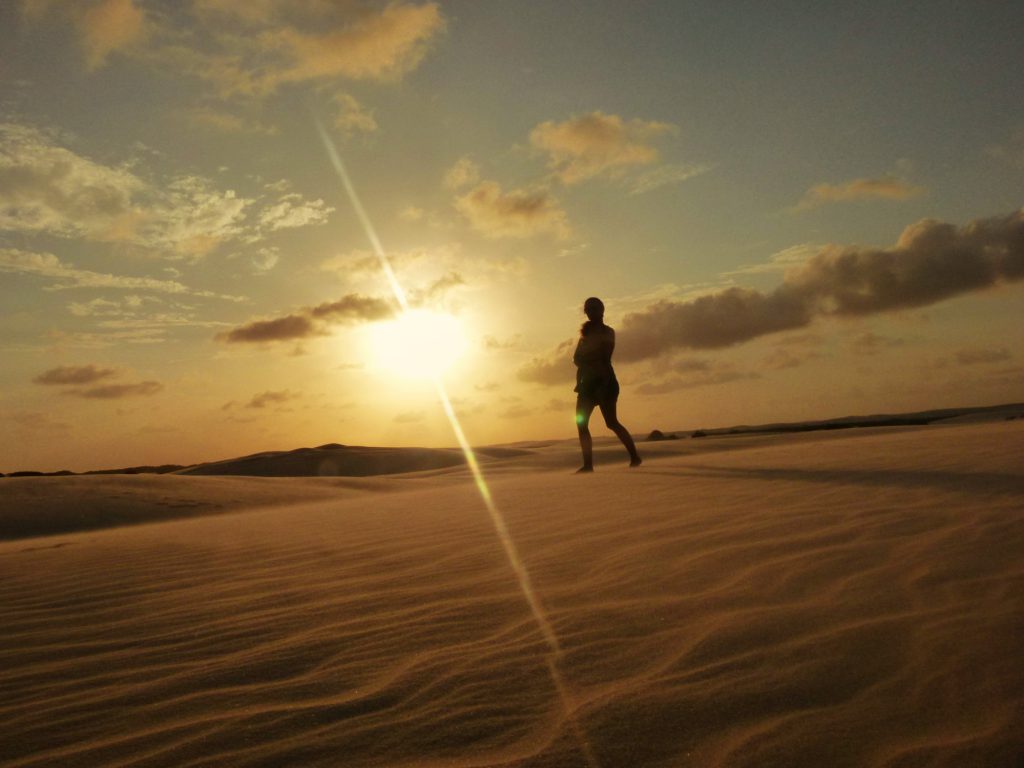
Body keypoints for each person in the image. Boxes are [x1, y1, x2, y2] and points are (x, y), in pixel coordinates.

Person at [573, 297, 641, 473]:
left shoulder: (608, 332)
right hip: (586, 385)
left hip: (605, 383)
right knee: (581, 424)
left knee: (611, 422)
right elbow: (577, 359)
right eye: (588, 309)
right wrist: (586, 362)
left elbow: (603, 356)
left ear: (602, 310)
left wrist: (587, 361)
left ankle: (634, 456)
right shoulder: (584, 335)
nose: (591, 312)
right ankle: (588, 465)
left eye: (594, 309)